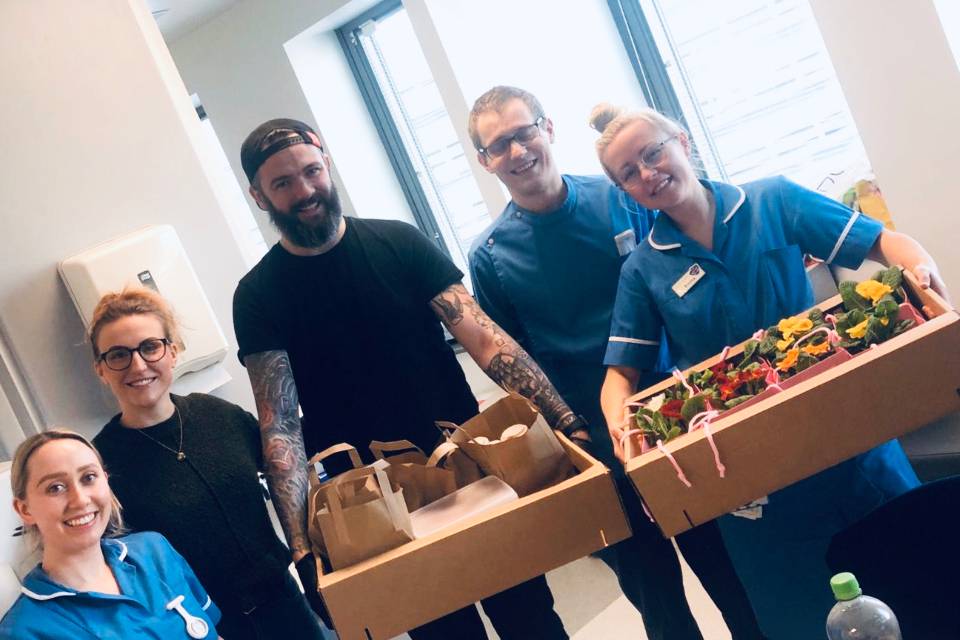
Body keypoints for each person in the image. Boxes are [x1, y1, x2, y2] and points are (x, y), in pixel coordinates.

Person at [592, 103, 948, 640]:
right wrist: (622, 426)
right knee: (799, 614)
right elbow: (620, 377)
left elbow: (880, 241)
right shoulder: (643, 269)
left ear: (683, 143)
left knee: (916, 587)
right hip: (752, 476)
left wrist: (921, 266)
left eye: (653, 152)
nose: (648, 173)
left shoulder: (771, 202)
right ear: (625, 191)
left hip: (848, 439)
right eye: (629, 174)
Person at [232, 118, 578, 640]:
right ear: (260, 196)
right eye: (283, 183)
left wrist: (564, 421)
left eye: (311, 171)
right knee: (445, 635)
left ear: (327, 165)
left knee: (531, 619)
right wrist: (302, 546)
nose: (305, 191)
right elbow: (280, 423)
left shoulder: (399, 242)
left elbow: (487, 341)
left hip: (468, 467)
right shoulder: (258, 295)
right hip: (372, 505)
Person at [466, 85, 763, 640]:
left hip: (676, 419)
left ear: (547, 129)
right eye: (499, 144)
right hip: (591, 446)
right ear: (485, 162)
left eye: (523, 132)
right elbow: (515, 365)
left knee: (730, 571)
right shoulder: (489, 257)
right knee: (658, 600)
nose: (517, 151)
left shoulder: (619, 197)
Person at [89, 289, 330, 640]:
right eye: (119, 355)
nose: (138, 365)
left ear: (173, 351)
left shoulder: (219, 416)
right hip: (199, 628)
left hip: (285, 608)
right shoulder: (100, 465)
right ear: (101, 369)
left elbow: (290, 470)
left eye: (150, 347)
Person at [0, 430, 222, 639]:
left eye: (88, 477)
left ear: (105, 481)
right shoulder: (24, 630)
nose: (80, 500)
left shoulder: (155, 551)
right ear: (25, 510)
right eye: (55, 488)